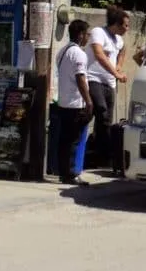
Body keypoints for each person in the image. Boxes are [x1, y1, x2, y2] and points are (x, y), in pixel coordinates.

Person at [86, 6, 129, 170]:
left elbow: (123, 51)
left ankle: (102, 155)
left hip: (109, 82)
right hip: (93, 77)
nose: (127, 28)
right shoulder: (99, 32)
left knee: (106, 120)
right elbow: (99, 55)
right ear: (116, 24)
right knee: (100, 109)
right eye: (125, 25)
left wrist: (118, 66)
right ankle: (92, 147)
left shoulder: (119, 40)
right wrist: (116, 73)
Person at [56, 20, 93, 186]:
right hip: (75, 104)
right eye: (87, 34)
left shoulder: (62, 51)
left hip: (63, 102)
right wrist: (89, 101)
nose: (88, 37)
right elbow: (80, 78)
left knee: (64, 140)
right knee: (73, 140)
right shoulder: (79, 54)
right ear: (80, 35)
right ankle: (70, 173)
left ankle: (64, 173)